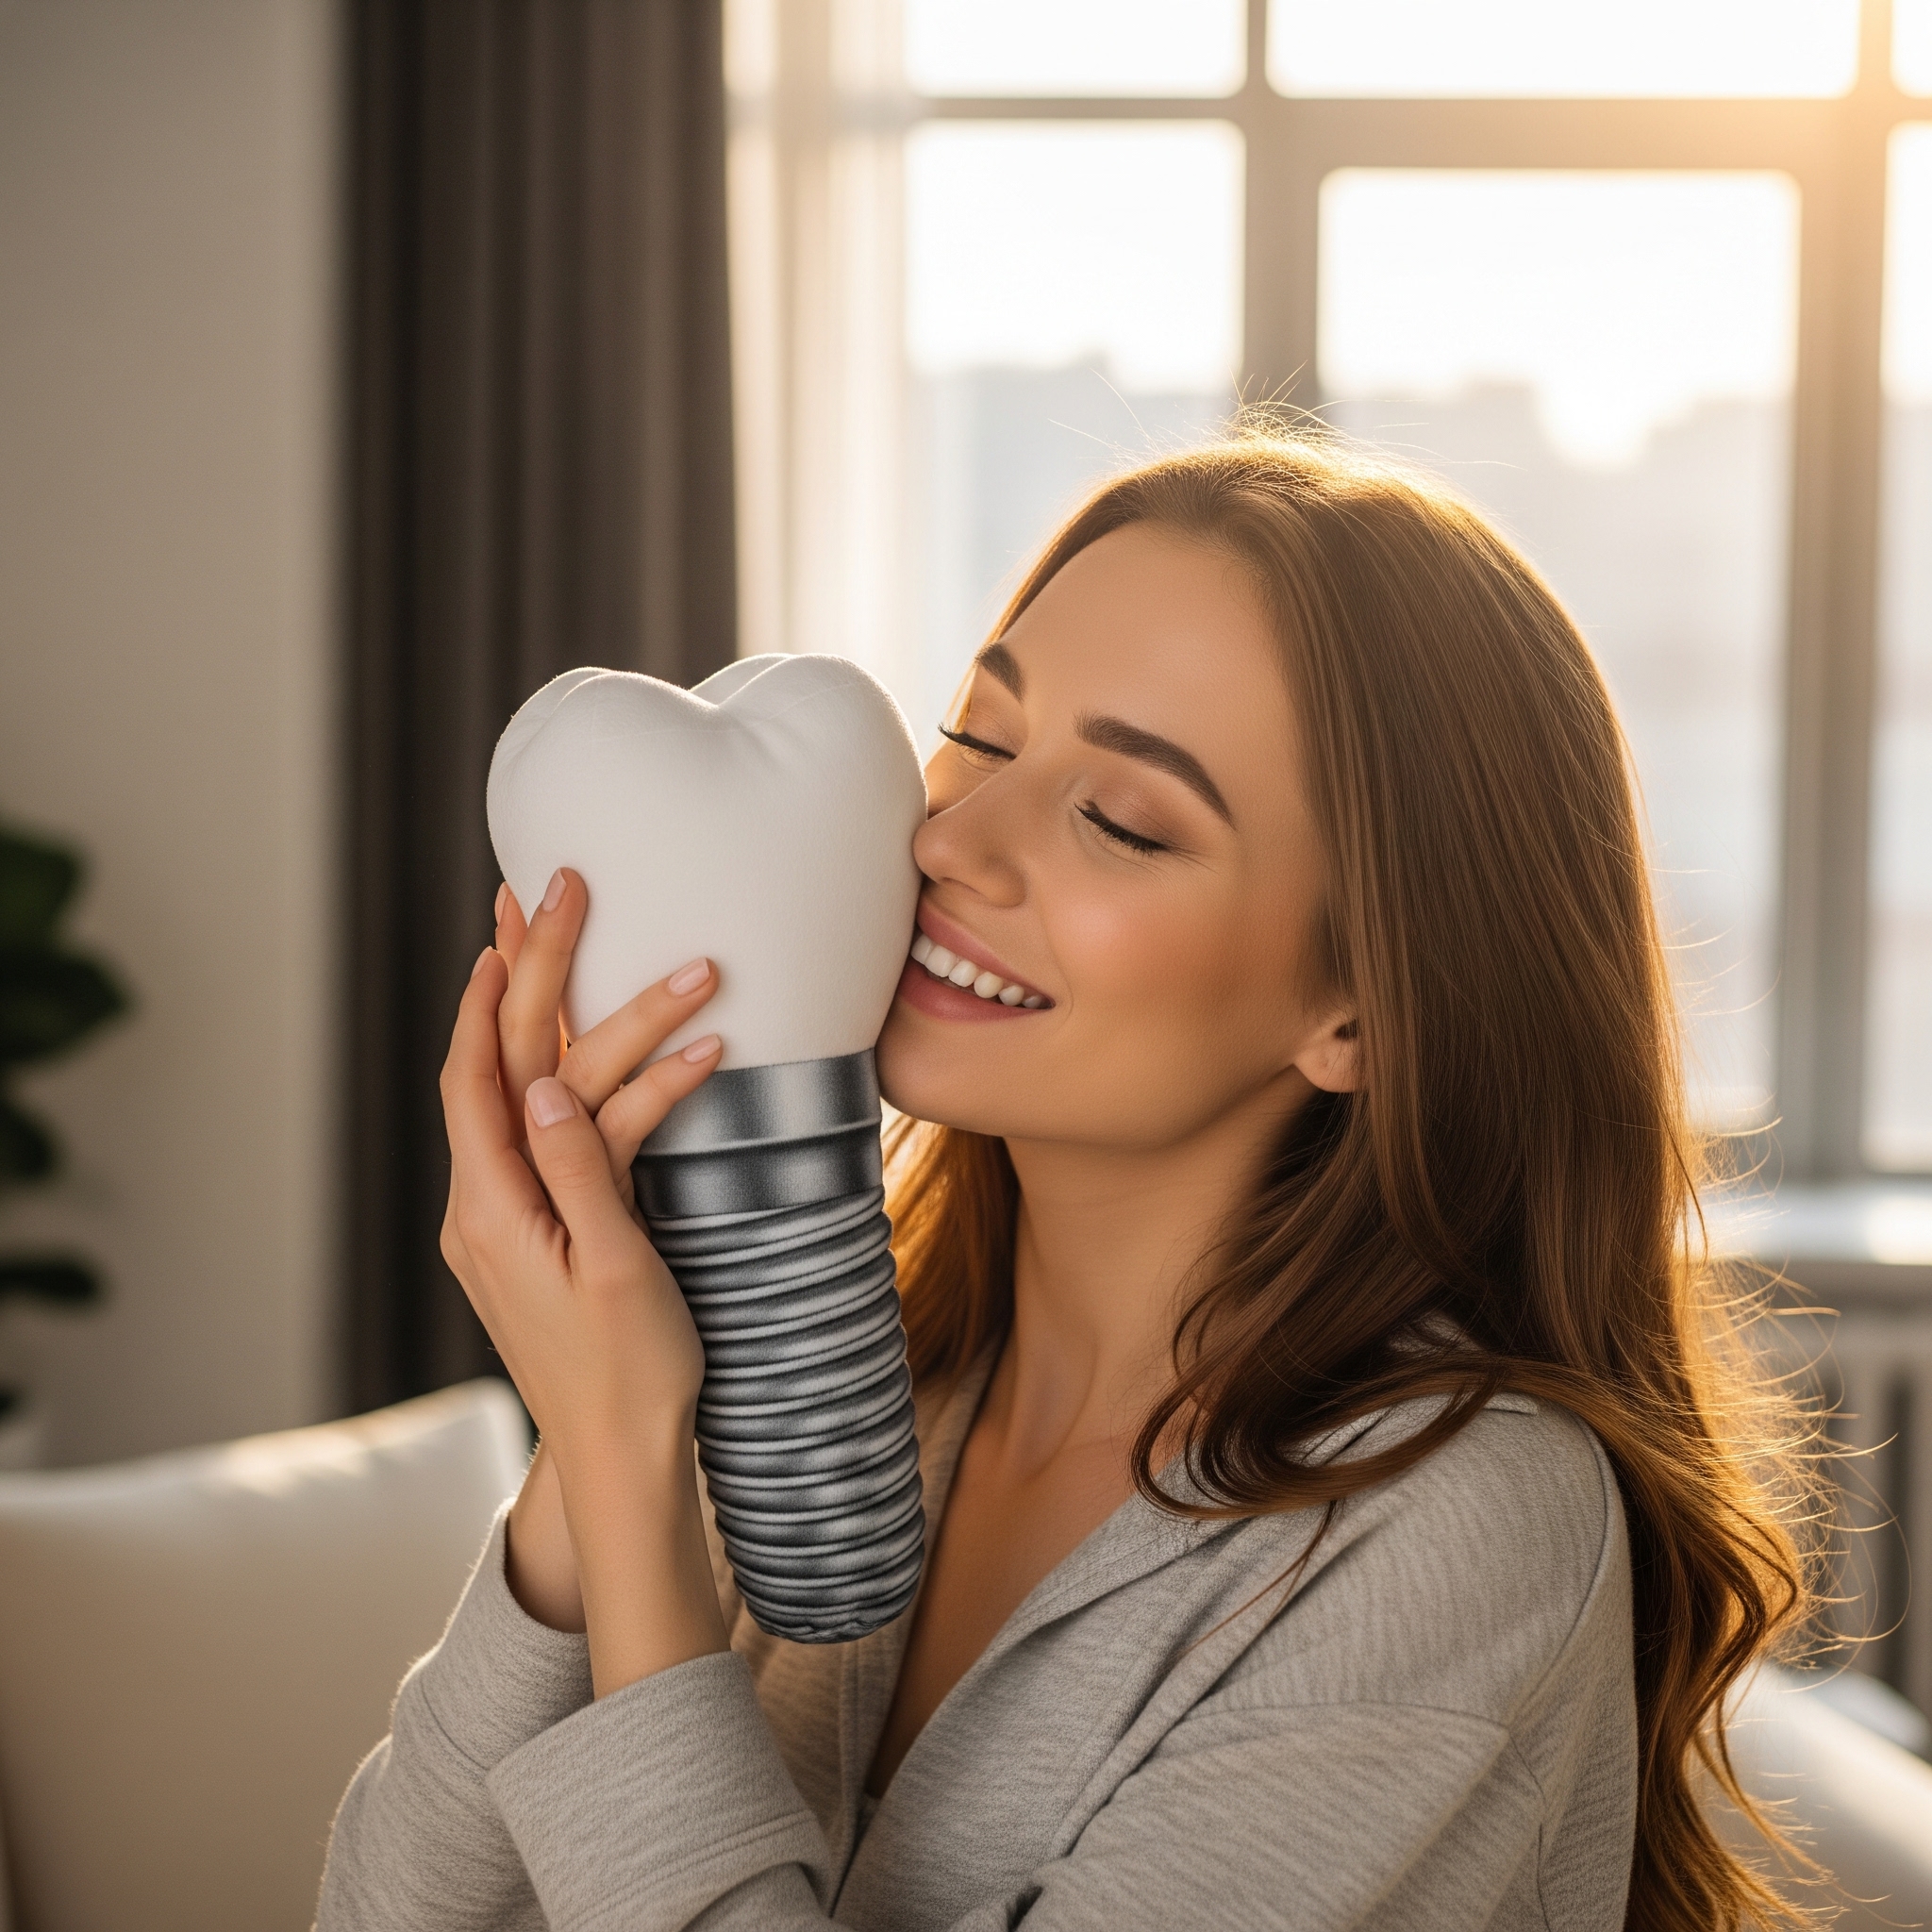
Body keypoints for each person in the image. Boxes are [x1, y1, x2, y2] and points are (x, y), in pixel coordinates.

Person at [317, 435, 1810, 1931]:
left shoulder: (1448, 1527)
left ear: (1358, 1008)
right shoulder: (856, 1372)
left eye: (1121, 819)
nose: (955, 843)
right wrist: (602, 1430)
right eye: (976, 738)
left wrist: (630, 1484)